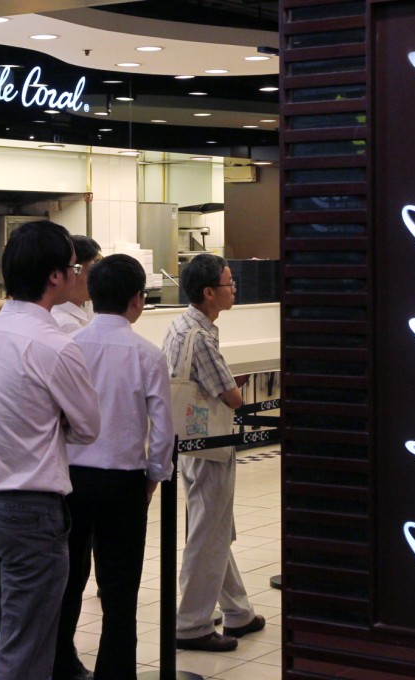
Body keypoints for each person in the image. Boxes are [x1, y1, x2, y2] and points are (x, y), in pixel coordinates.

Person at [0, 220, 101, 680]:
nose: (79, 275)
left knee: (11, 637)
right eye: (74, 267)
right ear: (56, 276)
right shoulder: (56, 346)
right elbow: (88, 427)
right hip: (29, 512)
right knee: (26, 651)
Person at [53, 254, 174, 680]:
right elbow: (162, 430)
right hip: (124, 482)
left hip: (69, 480)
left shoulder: (68, 347)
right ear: (137, 300)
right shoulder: (147, 354)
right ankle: (116, 672)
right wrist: (154, 478)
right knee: (120, 589)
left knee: (66, 582)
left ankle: (59, 666)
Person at [161, 253, 265, 653]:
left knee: (214, 527)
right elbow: (232, 397)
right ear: (209, 292)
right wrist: (237, 388)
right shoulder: (200, 337)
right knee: (208, 534)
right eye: (228, 282)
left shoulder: (180, 323)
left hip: (189, 441)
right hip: (210, 445)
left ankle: (237, 611)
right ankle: (190, 624)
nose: (233, 287)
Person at [51, 235, 102, 334]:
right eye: (92, 271)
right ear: (72, 271)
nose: (97, 277)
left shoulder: (89, 305)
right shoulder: (65, 323)